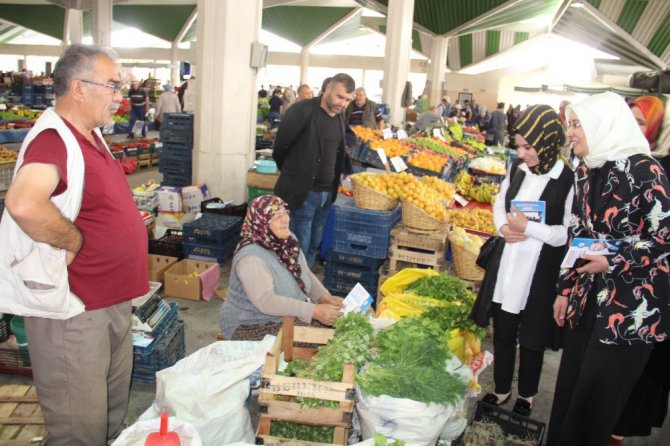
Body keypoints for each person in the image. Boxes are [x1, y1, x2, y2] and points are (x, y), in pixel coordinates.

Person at [1, 44, 148, 445]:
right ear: (79, 88)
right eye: (113, 86)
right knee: (77, 428)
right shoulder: (53, 141)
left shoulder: (90, 136)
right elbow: (22, 202)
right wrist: (73, 238)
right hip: (75, 312)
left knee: (108, 411)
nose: (121, 97)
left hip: (110, 302)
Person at [547, 92, 670, 446]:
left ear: (602, 124)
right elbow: (579, 232)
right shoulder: (587, 168)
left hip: (628, 311)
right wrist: (565, 287)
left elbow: (663, 238)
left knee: (593, 406)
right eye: (569, 124)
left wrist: (613, 258)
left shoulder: (647, 171)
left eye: (576, 124)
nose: (569, 133)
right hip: (587, 300)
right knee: (569, 391)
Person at [470, 105, 574, 418]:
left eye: (528, 147)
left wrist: (527, 228)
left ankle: (526, 395)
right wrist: (502, 227)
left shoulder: (567, 179)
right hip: (508, 266)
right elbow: (499, 204)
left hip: (538, 273)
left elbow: (564, 234)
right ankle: (502, 390)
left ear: (546, 141)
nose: (523, 153)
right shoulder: (516, 168)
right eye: (519, 146)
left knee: (532, 338)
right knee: (502, 331)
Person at [609, 95, 670, 445]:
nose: (632, 128)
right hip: (615, 277)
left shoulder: (660, 168)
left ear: (656, 129)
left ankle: (616, 433)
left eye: (641, 122)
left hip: (648, 284)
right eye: (628, 119)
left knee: (639, 369)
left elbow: (661, 236)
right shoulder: (620, 162)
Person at [220, 195, 344, 340]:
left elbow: (305, 273)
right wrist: (313, 311)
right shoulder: (251, 258)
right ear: (262, 222)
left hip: (283, 317)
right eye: (277, 216)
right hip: (251, 324)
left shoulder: (287, 240)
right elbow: (265, 301)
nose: (285, 219)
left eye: (285, 212)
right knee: (325, 338)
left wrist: (324, 297)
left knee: (336, 327)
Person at [272, 73, 355, 268]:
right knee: (298, 244)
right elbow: (280, 148)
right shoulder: (302, 111)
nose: (343, 104)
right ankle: (293, 285)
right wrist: (294, 174)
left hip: (326, 193)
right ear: (327, 89)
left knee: (314, 244)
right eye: (339, 97)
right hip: (302, 192)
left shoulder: (340, 117)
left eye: (347, 100)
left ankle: (305, 284)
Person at [631, 95, 670, 174]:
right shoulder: (616, 154)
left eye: (640, 122)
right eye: (630, 119)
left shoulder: (666, 166)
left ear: (659, 127)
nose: (632, 126)